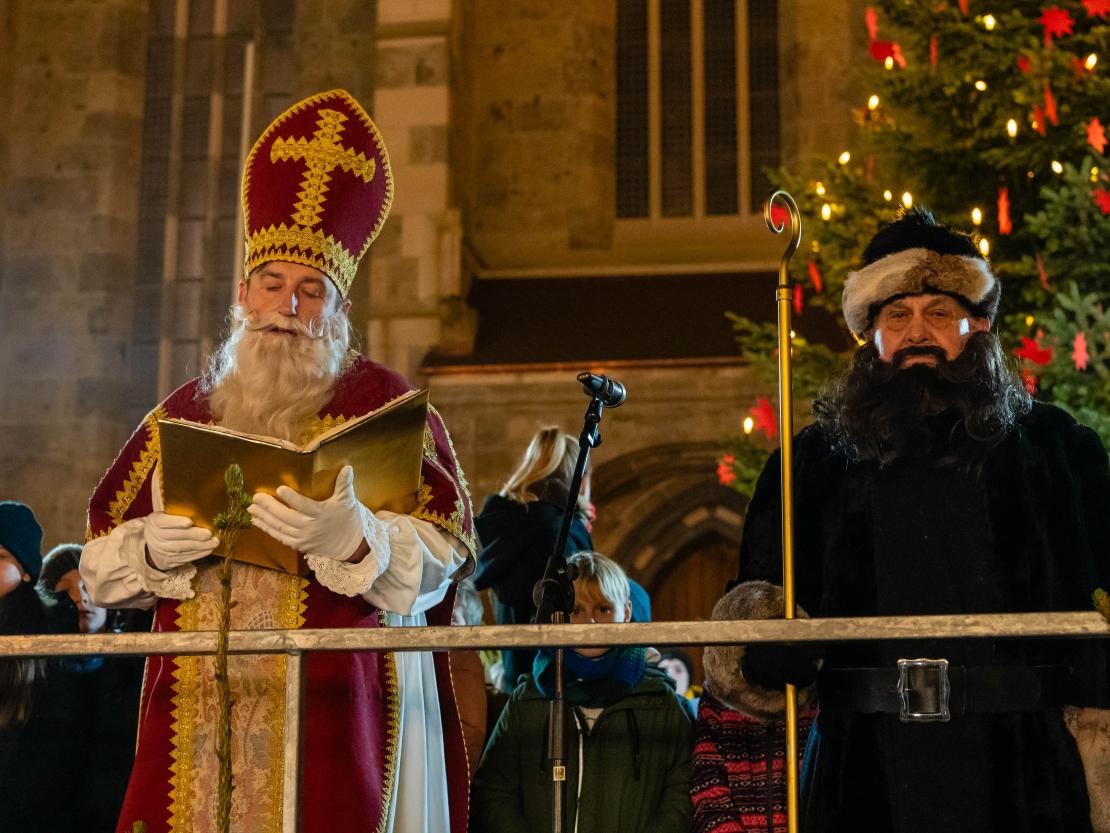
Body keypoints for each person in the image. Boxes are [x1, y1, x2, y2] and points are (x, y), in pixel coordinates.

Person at [81, 89, 476, 833]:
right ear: (242, 296)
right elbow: (98, 571)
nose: (288, 307)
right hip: (194, 712)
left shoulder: (385, 405)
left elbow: (444, 555)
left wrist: (358, 538)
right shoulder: (181, 413)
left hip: (339, 713)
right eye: (273, 285)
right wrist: (146, 548)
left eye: (310, 290)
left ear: (339, 312)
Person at [709, 207, 1110, 832]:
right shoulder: (810, 465)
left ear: (977, 326)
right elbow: (755, 607)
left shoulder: (1056, 448)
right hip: (861, 771)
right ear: (870, 334)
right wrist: (766, 645)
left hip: (1024, 771)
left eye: (940, 313)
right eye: (897, 315)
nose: (917, 331)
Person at [470, 550, 694, 833]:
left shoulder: (659, 701)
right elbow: (494, 791)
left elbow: (681, 792)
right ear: (560, 617)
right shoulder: (531, 698)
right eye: (576, 611)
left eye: (603, 609)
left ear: (625, 612)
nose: (589, 624)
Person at [472, 426, 593, 690]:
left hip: (514, 678)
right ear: (580, 479)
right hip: (558, 680)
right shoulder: (562, 531)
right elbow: (583, 602)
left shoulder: (500, 523)